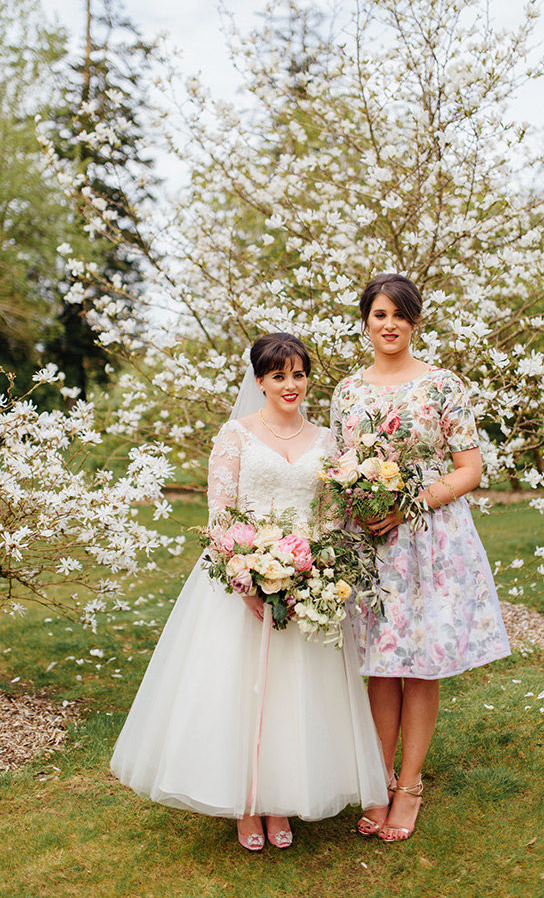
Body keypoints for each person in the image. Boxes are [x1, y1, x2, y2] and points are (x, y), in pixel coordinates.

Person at [111, 332, 388, 852]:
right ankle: (243, 804)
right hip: (242, 580)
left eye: (299, 374)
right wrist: (246, 579)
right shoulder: (234, 436)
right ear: (259, 380)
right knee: (242, 693)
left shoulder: (327, 442)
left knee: (295, 693)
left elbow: (329, 516)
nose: (290, 385)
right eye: (278, 375)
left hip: (307, 580)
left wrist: (317, 573)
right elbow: (221, 514)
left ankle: (280, 800)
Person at [330, 275, 511, 844]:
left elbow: (469, 469)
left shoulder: (443, 387)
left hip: (430, 539)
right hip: (372, 542)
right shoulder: (347, 392)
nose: (389, 324)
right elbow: (338, 466)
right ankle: (377, 779)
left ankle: (409, 786)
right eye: (379, 314)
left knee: (420, 662)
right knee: (381, 663)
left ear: (415, 322)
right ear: (366, 321)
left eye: (400, 315)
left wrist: (409, 505)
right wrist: (355, 503)